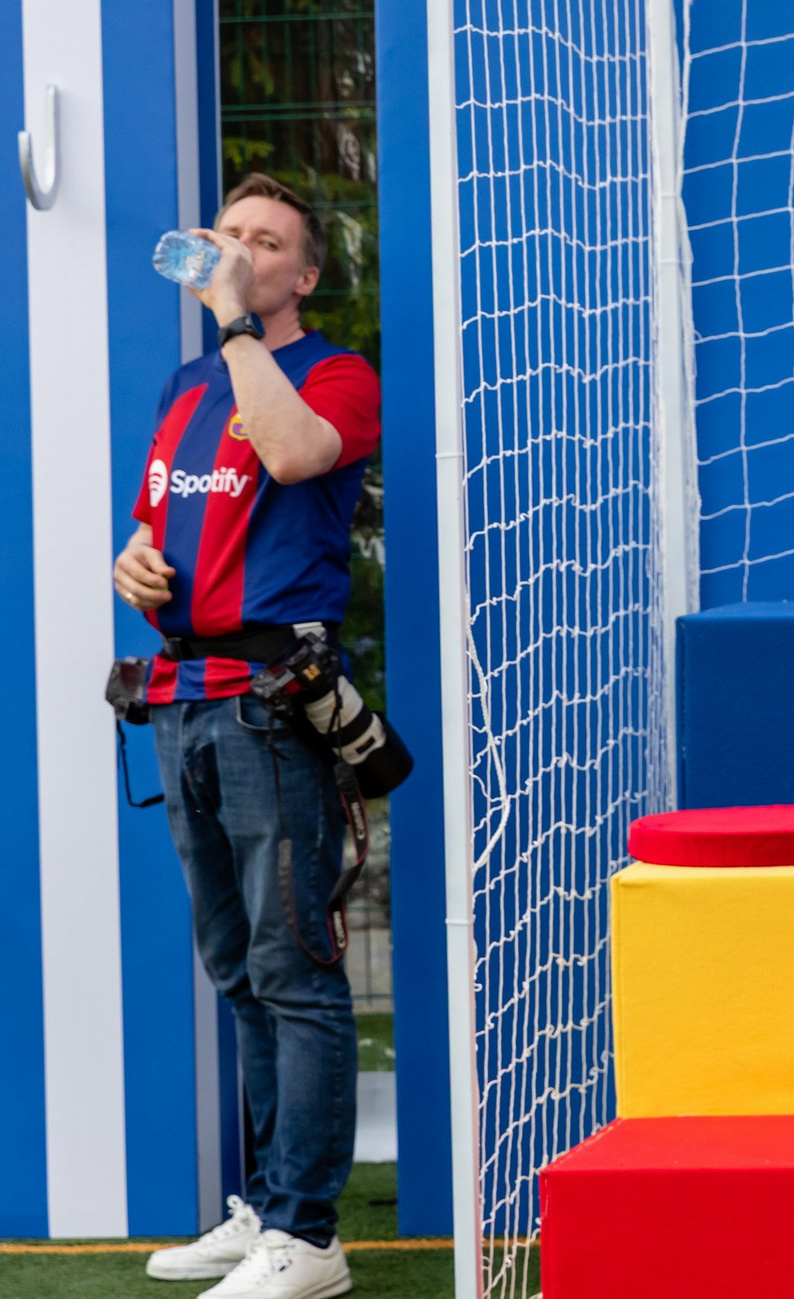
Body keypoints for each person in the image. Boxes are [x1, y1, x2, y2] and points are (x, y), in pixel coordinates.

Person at [115, 174, 379, 1299]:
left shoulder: (332, 373)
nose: (235, 252)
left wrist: (234, 322)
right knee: (236, 967)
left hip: (274, 704)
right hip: (182, 703)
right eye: (227, 235)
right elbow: (158, 520)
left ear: (302, 277)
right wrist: (126, 564)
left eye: (263, 243)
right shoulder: (184, 387)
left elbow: (291, 457)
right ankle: (272, 1206)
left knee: (294, 964)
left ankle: (309, 1238)